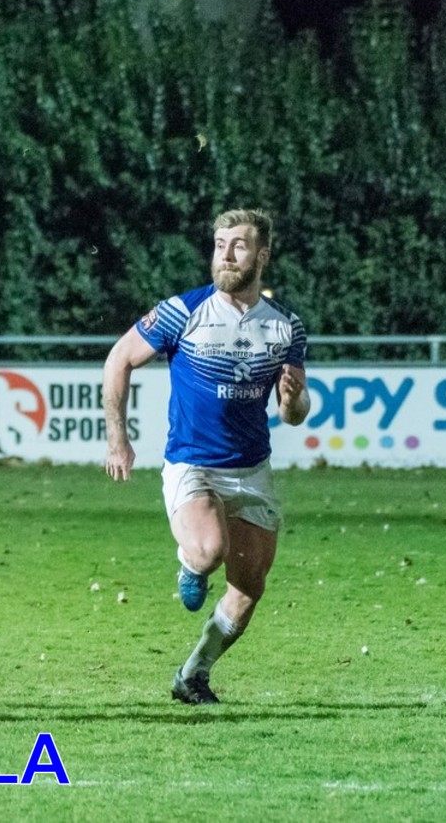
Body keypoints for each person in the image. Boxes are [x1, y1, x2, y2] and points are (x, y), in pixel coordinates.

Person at [103, 208, 310, 705]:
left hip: (252, 471)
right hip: (192, 465)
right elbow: (120, 358)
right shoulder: (183, 311)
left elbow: (295, 413)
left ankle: (194, 673)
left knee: (248, 589)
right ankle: (190, 564)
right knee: (209, 550)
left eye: (239, 245)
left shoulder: (286, 327)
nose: (226, 254)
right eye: (220, 245)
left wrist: (291, 399)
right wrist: (117, 438)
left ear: (262, 255)